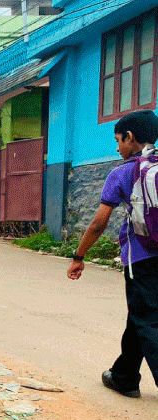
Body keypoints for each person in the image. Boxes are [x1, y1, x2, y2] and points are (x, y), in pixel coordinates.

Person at [67, 109, 158, 398]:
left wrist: (79, 255)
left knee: (148, 320)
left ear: (130, 138)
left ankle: (125, 376)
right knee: (142, 316)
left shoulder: (122, 173)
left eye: (118, 140)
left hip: (142, 258)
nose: (117, 147)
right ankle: (124, 376)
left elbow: (98, 223)